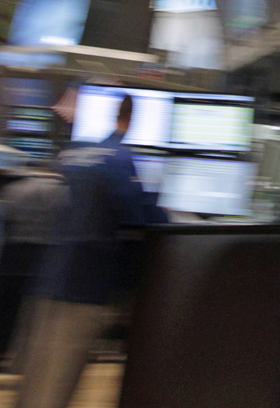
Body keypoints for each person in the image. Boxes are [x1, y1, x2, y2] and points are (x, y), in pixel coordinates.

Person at [14, 93, 167, 408]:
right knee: (60, 374)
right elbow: (137, 214)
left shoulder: (73, 155)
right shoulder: (118, 159)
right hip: (86, 278)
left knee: (37, 366)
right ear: (132, 119)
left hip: (51, 273)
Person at [0, 167, 67, 375]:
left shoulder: (13, 190)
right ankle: (24, 362)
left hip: (11, 255)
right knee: (35, 314)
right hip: (42, 258)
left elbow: (1, 222)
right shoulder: (61, 192)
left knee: (2, 310)